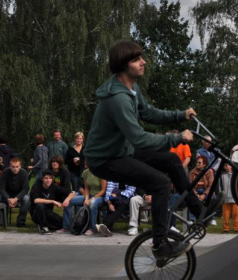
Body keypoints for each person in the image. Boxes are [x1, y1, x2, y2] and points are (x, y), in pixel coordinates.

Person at [84, 41, 222, 260]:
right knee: (159, 183)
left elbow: (148, 113)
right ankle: (160, 245)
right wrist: (176, 138)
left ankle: (200, 212)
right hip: (104, 159)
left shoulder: (131, 88)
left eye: (142, 57)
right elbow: (139, 138)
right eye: (137, 59)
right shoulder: (118, 99)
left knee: (171, 160)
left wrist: (180, 114)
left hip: (121, 150)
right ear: (123, 65)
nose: (143, 62)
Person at [58, 166, 106, 235]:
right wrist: (86, 198)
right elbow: (86, 189)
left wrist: (91, 199)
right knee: (69, 201)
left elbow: (103, 190)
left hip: (100, 197)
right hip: (89, 195)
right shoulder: (85, 172)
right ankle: (67, 226)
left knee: (93, 203)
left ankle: (92, 228)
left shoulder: (101, 172)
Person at [30, 170, 76, 235]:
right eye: (46, 178)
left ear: (52, 179)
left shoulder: (53, 186)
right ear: (42, 179)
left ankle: (44, 225)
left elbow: (71, 192)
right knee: (40, 205)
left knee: (62, 223)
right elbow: (36, 200)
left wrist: (67, 199)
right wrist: (53, 201)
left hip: (48, 212)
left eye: (50, 178)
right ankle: (44, 227)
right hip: (36, 213)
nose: (48, 180)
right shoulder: (36, 186)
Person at [0, 158, 30, 227]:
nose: (15, 169)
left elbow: (26, 189)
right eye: (13, 167)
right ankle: (1, 221)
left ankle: (21, 221)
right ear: (9, 166)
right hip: (7, 194)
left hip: (19, 194)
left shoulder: (24, 173)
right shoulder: (5, 172)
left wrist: (16, 199)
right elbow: (1, 188)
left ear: (20, 166)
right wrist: (8, 198)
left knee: (27, 198)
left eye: (17, 167)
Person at [189, 156, 216, 224]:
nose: (197, 164)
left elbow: (211, 185)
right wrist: (197, 195)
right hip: (196, 191)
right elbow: (190, 186)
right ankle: (191, 220)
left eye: (199, 162)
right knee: (191, 198)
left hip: (206, 191)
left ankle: (212, 218)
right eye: (197, 162)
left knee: (211, 197)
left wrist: (204, 194)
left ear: (204, 164)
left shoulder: (209, 172)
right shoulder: (192, 172)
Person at [219, 163, 238, 233]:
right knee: (225, 214)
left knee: (236, 214)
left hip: (235, 198)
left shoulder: (236, 175)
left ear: (232, 166)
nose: (227, 166)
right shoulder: (222, 176)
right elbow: (220, 186)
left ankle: (236, 228)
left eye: (228, 165)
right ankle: (226, 228)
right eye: (225, 165)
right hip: (226, 198)